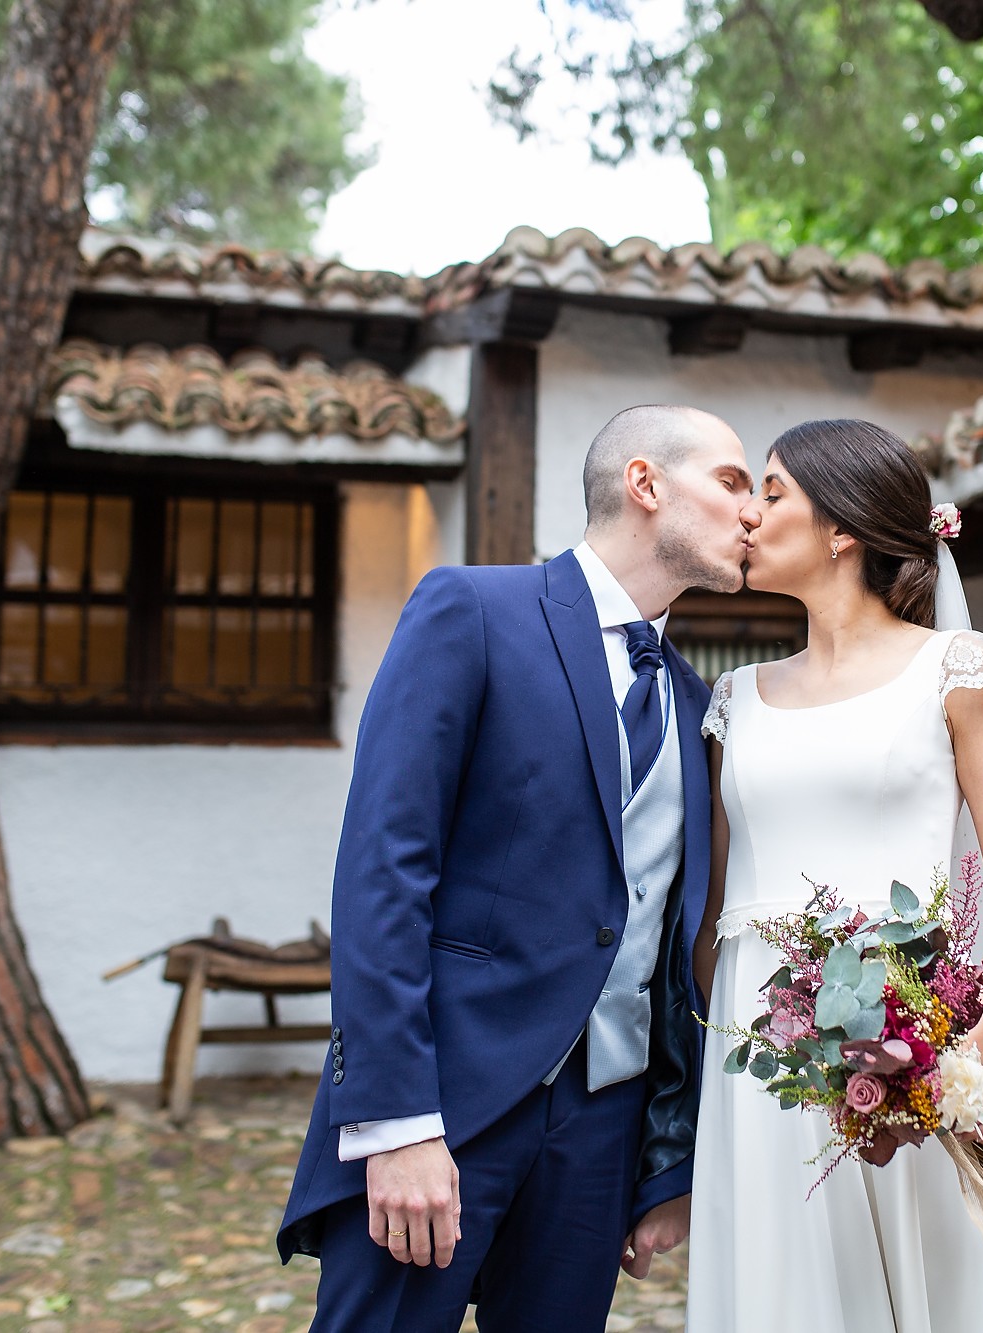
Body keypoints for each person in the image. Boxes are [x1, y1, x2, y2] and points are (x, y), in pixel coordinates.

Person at [277, 404, 764, 1332]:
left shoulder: (697, 700)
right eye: (732, 481)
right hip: (447, 1106)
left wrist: (665, 1161)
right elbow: (383, 870)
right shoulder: (474, 611)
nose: (754, 512)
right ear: (646, 484)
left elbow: (664, 944)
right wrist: (398, 1123)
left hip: (601, 1133)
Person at [685, 418, 983, 1331]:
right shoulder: (732, 701)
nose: (748, 512)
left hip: (924, 1050)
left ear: (842, 527)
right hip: (764, 1078)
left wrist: (950, 1062)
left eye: (771, 491)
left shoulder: (956, 671)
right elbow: (712, 920)